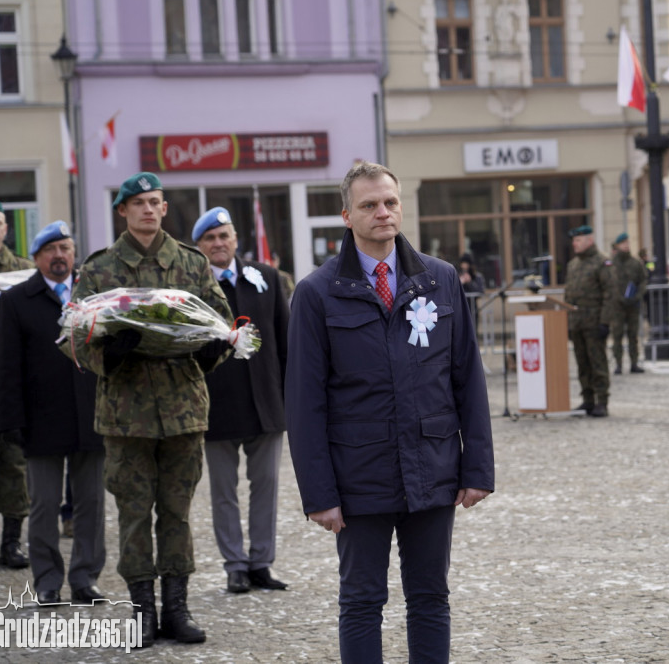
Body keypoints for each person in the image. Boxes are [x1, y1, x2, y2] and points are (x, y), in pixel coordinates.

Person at [286, 162, 495, 663]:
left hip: (433, 467)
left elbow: (468, 378)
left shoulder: (440, 280)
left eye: (390, 203)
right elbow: (304, 403)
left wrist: (478, 469)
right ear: (346, 215)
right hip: (359, 477)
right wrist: (319, 494)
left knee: (430, 598)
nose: (383, 212)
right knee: (361, 602)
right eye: (369, 205)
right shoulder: (317, 294)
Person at [59, 172, 232, 645]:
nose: (148, 210)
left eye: (155, 202)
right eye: (138, 204)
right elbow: (72, 336)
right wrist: (107, 354)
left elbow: (218, 321)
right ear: (123, 211)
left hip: (182, 407)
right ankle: (142, 613)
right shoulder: (100, 269)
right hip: (125, 412)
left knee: (176, 513)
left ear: (163, 208)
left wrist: (212, 349)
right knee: (134, 514)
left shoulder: (192, 264)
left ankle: (177, 608)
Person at [0, 221, 104, 604]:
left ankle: (86, 577)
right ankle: (47, 580)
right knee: (43, 504)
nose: (59, 256)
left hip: (91, 417)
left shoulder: (94, 296)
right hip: (41, 419)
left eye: (65, 248)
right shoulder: (16, 300)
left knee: (90, 502)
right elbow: (6, 366)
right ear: (37, 257)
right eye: (50, 250)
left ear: (74, 254)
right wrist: (11, 420)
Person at [192, 208, 290, 595]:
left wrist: (289, 395)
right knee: (224, 491)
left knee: (266, 485)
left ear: (236, 239)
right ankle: (234, 564)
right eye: (210, 239)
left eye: (224, 236)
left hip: (265, 401)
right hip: (217, 404)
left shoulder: (265, 278)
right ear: (200, 247)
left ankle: (261, 562)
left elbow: (285, 340)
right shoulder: (194, 287)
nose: (218, 244)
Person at [0, 198, 33, 569]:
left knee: (16, 465)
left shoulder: (22, 271)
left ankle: (12, 543)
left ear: (6, 228)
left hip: (14, 385)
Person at [564, 224, 616, 417]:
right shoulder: (573, 265)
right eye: (574, 240)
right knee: (582, 363)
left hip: (594, 323)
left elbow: (610, 294)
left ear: (589, 240)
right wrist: (567, 321)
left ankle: (602, 401)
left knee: (598, 363)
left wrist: (605, 322)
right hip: (577, 323)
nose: (574, 244)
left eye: (578, 240)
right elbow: (568, 295)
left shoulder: (602, 262)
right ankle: (588, 399)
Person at [610, 233, 647, 375]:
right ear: (617, 246)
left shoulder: (635, 263)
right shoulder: (611, 263)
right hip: (617, 306)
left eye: (627, 243)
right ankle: (618, 364)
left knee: (633, 335)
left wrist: (637, 296)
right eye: (623, 243)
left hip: (632, 305)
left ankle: (634, 363)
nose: (626, 245)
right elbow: (608, 284)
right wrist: (618, 297)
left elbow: (642, 281)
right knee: (617, 335)